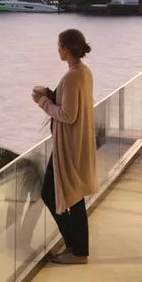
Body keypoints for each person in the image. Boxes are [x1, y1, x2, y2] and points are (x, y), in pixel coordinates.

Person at [31, 28, 96, 265]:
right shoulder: (83, 72)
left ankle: (77, 250)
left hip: (68, 145)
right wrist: (51, 94)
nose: (57, 50)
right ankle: (77, 248)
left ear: (66, 49)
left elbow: (68, 115)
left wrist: (43, 102)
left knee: (52, 193)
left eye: (59, 46)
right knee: (74, 196)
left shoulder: (72, 76)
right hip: (76, 142)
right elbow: (73, 103)